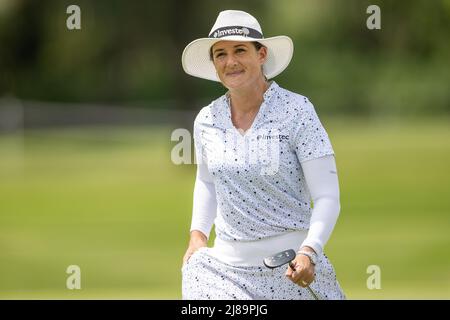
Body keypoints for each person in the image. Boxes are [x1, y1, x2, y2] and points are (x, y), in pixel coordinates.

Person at [180, 9, 345, 300]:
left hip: (291, 268)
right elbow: (207, 182)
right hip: (222, 271)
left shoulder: (297, 111)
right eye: (220, 54)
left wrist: (310, 251)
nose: (230, 61)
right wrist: (198, 236)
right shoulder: (206, 119)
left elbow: (327, 196)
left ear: (261, 54)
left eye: (240, 50)